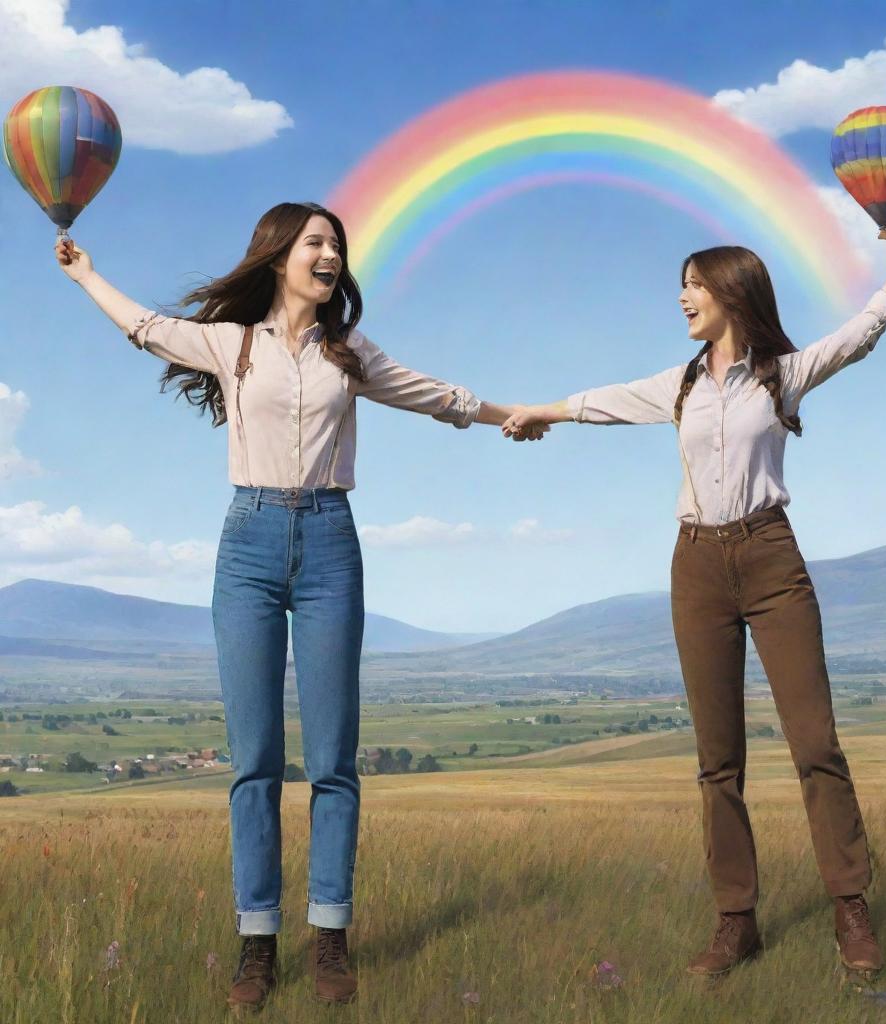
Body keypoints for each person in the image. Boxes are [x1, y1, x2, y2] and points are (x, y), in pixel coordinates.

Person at [56, 202, 544, 1012]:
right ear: (280, 254)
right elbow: (144, 327)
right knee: (252, 760)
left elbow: (435, 396)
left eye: (336, 246)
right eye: (316, 242)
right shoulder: (231, 344)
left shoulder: (351, 356)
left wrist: (509, 415)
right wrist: (84, 274)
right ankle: (256, 945)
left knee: (332, 760)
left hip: (329, 544)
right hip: (246, 543)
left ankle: (329, 936)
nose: (330, 254)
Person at [503, 233, 886, 978]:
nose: (682, 297)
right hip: (696, 565)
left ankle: (851, 908)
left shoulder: (782, 377)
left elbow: (853, 340)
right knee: (717, 760)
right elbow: (606, 401)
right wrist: (542, 411)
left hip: (770, 557)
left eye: (693, 283)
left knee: (815, 745)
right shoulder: (680, 385)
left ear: (731, 290)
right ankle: (736, 922)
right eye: (682, 285)